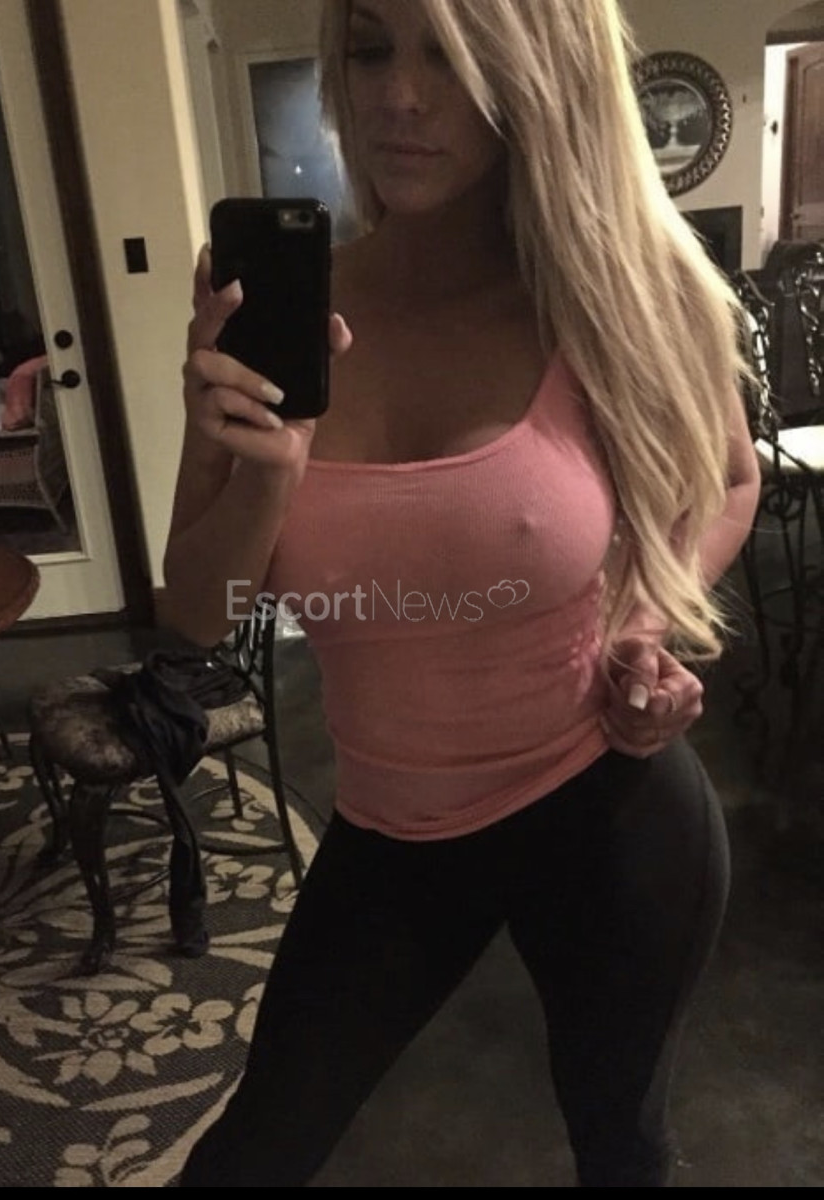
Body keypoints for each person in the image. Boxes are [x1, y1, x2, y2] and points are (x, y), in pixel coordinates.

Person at [165, 0, 761, 1186]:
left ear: (537, 75)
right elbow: (195, 614)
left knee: (623, 1147)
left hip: (604, 806)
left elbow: (732, 479)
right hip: (393, 833)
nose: (397, 94)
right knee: (249, 1157)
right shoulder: (278, 317)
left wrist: (643, 625)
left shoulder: (614, 293)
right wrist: (266, 471)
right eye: (372, 47)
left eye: (453, 54)